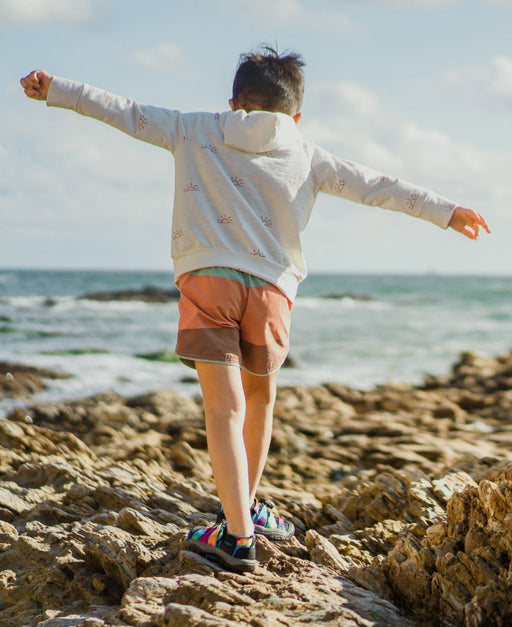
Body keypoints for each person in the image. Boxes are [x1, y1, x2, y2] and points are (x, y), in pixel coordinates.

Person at [20, 46, 490, 574]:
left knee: (223, 411)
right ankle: (242, 512)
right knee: (260, 400)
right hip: (271, 292)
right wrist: (446, 211)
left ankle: (238, 535)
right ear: (295, 116)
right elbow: (377, 186)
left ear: (234, 102)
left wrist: (55, 88)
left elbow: (123, 110)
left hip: (208, 280)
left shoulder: (194, 128)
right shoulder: (309, 154)